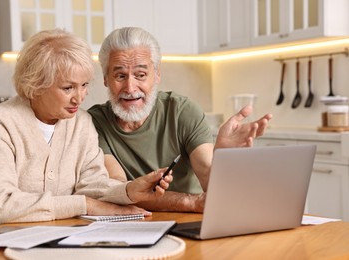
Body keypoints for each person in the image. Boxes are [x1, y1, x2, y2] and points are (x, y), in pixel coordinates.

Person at [0, 28, 173, 241]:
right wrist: (85, 205)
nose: (79, 98)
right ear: (36, 84)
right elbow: (2, 205)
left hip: (42, 240)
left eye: (84, 85)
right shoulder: (0, 121)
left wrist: (128, 191)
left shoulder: (82, 122)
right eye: (68, 88)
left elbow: (92, 183)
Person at [88, 27, 272, 213]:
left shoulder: (183, 111)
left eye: (140, 75)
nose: (130, 87)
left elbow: (209, 178)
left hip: (191, 219)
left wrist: (223, 157)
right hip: (138, 222)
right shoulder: (94, 122)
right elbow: (118, 191)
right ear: (105, 79)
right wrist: (190, 202)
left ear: (157, 74)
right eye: (120, 75)